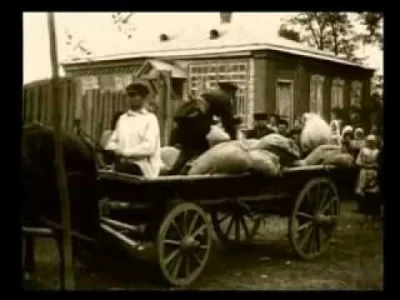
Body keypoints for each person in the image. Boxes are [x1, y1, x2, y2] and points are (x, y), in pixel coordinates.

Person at [167, 85, 237, 175]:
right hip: (195, 126)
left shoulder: (210, 94)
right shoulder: (225, 99)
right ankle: (186, 174)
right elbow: (228, 124)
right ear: (230, 93)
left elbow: (208, 114)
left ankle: (175, 173)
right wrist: (234, 142)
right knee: (201, 150)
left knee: (188, 152)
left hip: (187, 123)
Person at [105, 82, 162, 178]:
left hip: (144, 167)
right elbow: (112, 141)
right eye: (129, 95)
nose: (130, 99)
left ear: (143, 98)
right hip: (123, 165)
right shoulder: (123, 119)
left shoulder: (150, 119)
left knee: (123, 170)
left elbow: (149, 147)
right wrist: (113, 149)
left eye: (134, 95)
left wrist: (124, 152)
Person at [355, 135, 380, 227]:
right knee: (364, 197)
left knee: (374, 197)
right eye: (369, 141)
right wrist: (366, 166)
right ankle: (365, 220)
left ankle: (374, 220)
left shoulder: (378, 152)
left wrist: (373, 166)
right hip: (364, 174)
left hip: (374, 175)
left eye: (373, 141)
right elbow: (357, 162)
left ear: (375, 142)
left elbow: (379, 164)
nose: (371, 143)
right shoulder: (363, 150)